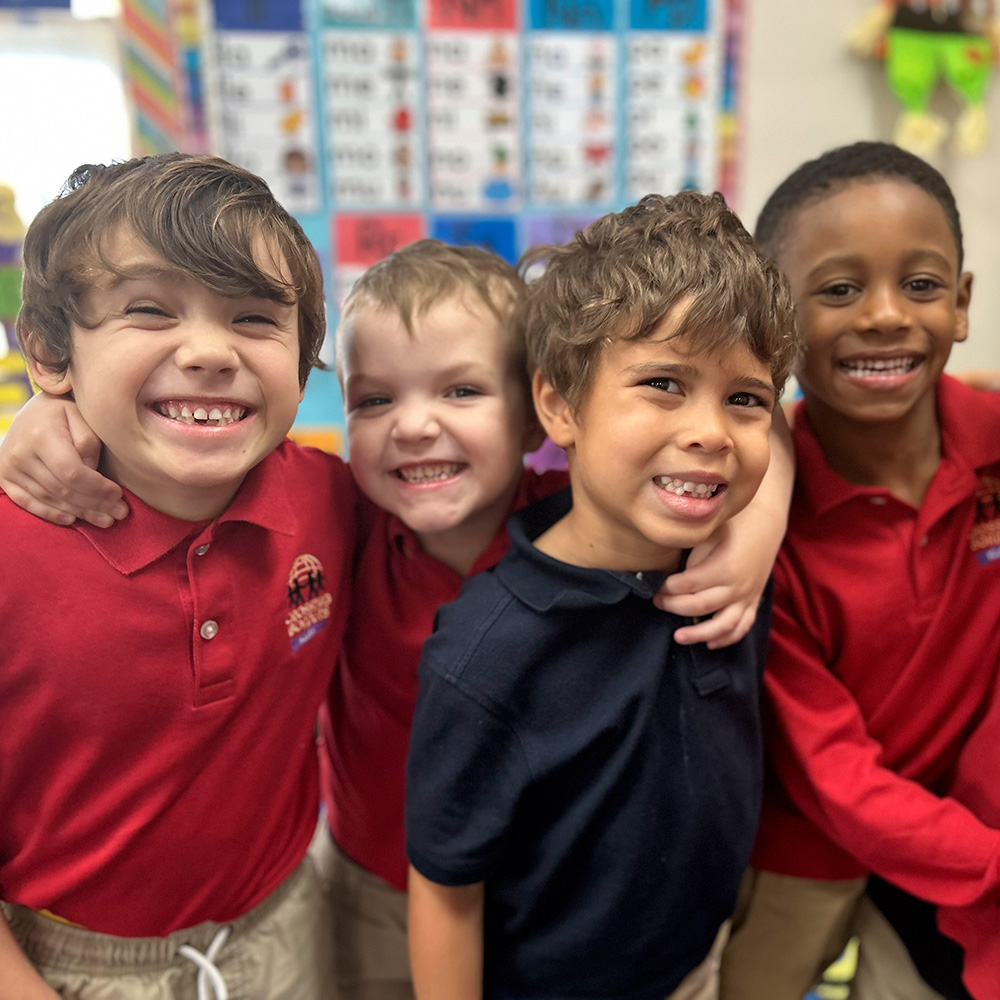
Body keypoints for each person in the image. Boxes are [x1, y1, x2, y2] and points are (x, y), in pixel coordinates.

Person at [0, 230, 794, 1000]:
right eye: (375, 399)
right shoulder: (338, 512)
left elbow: (754, 418)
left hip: (544, 905)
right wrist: (48, 411)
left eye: (461, 390)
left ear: (540, 415)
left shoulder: (584, 521)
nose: (414, 425)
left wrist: (755, 529)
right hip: (373, 890)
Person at [405, 190, 801, 1000]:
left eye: (743, 399)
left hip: (695, 969)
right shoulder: (488, 653)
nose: (711, 432)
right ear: (559, 403)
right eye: (663, 383)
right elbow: (445, 895)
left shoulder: (731, 566)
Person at [0, 153, 361, 999]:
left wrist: (746, 526)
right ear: (52, 350)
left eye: (255, 319)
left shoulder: (334, 500)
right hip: (68, 966)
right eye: (149, 309)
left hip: (285, 930)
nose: (208, 351)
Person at [717, 141, 1000, 1000]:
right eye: (839, 290)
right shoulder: (753, 523)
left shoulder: (992, 437)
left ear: (961, 304)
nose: (884, 315)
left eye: (920, 286)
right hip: (807, 848)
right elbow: (831, 772)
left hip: (963, 836)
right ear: (775, 320)